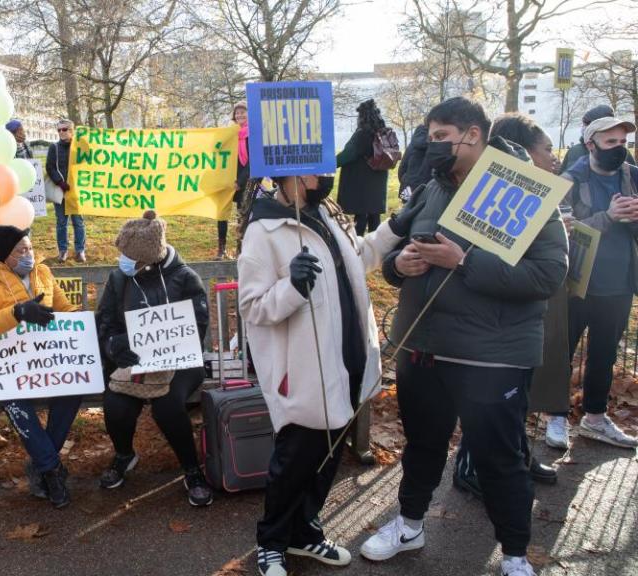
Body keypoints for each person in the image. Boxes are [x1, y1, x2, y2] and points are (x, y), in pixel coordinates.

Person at [363, 97, 568, 576]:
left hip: (491, 356)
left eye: (440, 138)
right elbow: (401, 256)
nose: (431, 147)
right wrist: (399, 266)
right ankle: (409, 525)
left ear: (473, 135)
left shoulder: (523, 188)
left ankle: (515, 555)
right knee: (423, 446)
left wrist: (466, 262)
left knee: (500, 459)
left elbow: (548, 276)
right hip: (424, 347)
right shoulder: (431, 189)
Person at [239, 173, 419, 576]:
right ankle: (271, 542)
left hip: (348, 359)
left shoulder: (328, 215)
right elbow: (253, 308)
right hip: (302, 372)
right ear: (288, 175)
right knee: (295, 463)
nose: (326, 176)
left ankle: (305, 533)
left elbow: (361, 256)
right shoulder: (263, 232)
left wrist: (397, 225)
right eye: (315, 170)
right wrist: (292, 287)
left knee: (329, 456)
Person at [452, 113, 561, 498]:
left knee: (515, 403)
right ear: (521, 152)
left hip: (522, 322)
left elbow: (544, 267)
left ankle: (516, 452)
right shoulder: (493, 193)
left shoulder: (538, 196)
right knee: (490, 405)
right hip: (492, 329)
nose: (553, 157)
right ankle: (471, 467)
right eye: (546, 150)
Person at [96, 210, 214, 507]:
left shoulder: (185, 278)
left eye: (129, 257)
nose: (123, 261)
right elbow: (106, 322)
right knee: (116, 404)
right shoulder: (119, 279)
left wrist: (166, 347)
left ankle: (191, 469)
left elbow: (196, 328)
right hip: (134, 361)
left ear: (148, 259)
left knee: (167, 404)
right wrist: (114, 346)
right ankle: (124, 455)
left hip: (181, 363)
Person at [0, 225, 81, 508]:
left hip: (47, 359)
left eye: (30, 248)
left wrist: (84, 327)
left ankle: (43, 466)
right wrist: (16, 313)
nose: (29, 254)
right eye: (21, 250)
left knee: (74, 389)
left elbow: (66, 311)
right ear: (4, 255)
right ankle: (52, 470)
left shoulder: (42, 272)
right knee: (15, 402)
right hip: (9, 367)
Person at [546, 116, 638, 450]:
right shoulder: (570, 180)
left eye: (623, 144)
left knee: (605, 354)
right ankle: (555, 416)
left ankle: (595, 417)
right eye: (610, 143)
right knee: (563, 350)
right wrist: (610, 218)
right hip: (576, 281)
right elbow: (563, 231)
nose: (619, 150)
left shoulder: (633, 176)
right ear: (590, 145)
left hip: (620, 282)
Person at [336, 99, 392, 236]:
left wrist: (329, 165)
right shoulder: (382, 132)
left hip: (362, 184)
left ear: (362, 117)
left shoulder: (362, 134)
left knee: (360, 218)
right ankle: (377, 248)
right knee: (374, 217)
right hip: (377, 182)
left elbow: (348, 155)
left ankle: (358, 248)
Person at [46, 119, 86, 263]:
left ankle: (80, 251)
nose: (61, 132)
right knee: (61, 222)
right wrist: (60, 182)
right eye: (59, 130)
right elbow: (49, 167)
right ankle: (63, 251)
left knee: (78, 222)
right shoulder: (53, 148)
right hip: (60, 191)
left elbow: (88, 162)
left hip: (76, 192)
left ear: (72, 131)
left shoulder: (79, 147)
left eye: (64, 129)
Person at [217, 102, 250, 259]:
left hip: (245, 182)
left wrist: (240, 182)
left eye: (243, 112)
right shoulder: (229, 134)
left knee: (242, 216)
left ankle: (240, 248)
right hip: (227, 180)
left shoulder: (253, 134)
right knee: (222, 214)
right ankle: (221, 249)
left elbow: (253, 161)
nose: (240, 115)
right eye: (237, 113)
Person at [560, 105, 635, 173]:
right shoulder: (575, 151)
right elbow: (563, 183)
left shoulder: (624, 153)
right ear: (590, 145)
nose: (583, 127)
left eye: (586, 124)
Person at [397, 124, 431, 203]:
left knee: (406, 212)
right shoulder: (437, 143)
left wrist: (405, 181)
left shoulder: (413, 143)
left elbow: (402, 167)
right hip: (428, 189)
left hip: (408, 187)